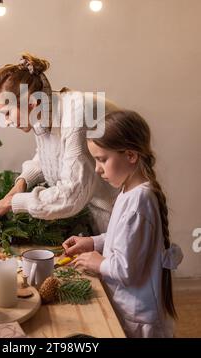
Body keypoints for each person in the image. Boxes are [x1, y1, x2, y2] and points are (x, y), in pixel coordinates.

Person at [63, 110, 183, 338]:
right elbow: (123, 237)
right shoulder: (129, 192)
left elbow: (126, 269)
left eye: (102, 159)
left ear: (130, 155)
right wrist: (92, 242)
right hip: (128, 305)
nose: (98, 169)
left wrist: (99, 264)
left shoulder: (139, 200)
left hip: (137, 314)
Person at [0, 53, 119, 234]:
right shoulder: (42, 111)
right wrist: (20, 184)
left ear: (30, 103)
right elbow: (47, 156)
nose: (6, 121)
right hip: (94, 222)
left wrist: (9, 203)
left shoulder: (76, 116)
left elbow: (72, 195)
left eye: (7, 113)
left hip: (119, 216)